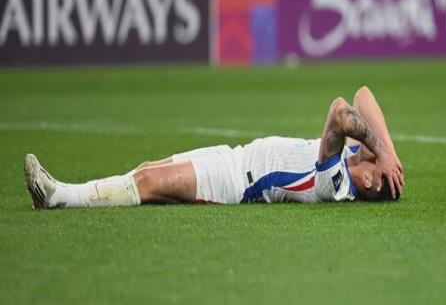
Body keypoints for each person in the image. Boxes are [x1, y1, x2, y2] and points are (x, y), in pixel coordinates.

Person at [25, 86, 404, 209]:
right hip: (235, 156)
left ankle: (60, 196)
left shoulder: (336, 184)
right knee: (146, 169)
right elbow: (363, 94)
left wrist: (382, 152)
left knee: (147, 182)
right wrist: (389, 154)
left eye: (374, 161)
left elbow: (342, 111)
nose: (371, 152)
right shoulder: (355, 159)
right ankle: (64, 195)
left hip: (234, 184)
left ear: (369, 182)